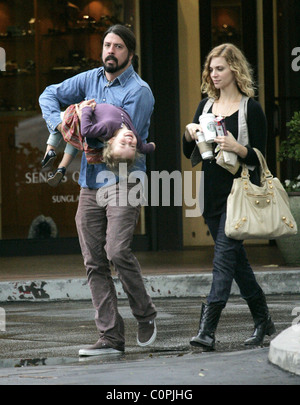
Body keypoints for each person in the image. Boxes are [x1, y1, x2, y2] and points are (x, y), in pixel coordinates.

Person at [39, 24, 157, 356]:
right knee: (93, 260)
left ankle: (145, 314)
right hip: (91, 182)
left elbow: (119, 142)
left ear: (130, 54)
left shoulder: (139, 92)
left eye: (118, 46)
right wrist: (60, 124)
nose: (110, 51)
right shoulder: (90, 78)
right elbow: (48, 93)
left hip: (124, 176)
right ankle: (110, 337)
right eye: (107, 45)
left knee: (117, 251)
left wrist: (80, 120)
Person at [183, 43, 276, 351]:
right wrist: (189, 133)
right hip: (210, 195)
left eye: (219, 68)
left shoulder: (252, 109)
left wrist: (239, 148)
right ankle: (264, 320)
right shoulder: (205, 107)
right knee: (237, 264)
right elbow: (190, 154)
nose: (214, 74)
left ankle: (207, 329)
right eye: (211, 69)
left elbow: (262, 158)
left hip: (239, 196)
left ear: (234, 70)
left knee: (223, 260)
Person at [42, 101, 156, 186]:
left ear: (111, 140)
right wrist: (152, 146)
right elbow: (143, 148)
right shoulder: (133, 136)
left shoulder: (108, 126)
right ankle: (61, 168)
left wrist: (86, 110)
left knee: (57, 122)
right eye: (132, 146)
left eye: (123, 144)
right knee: (74, 141)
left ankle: (50, 150)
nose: (129, 141)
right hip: (83, 125)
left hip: (80, 116)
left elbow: (86, 131)